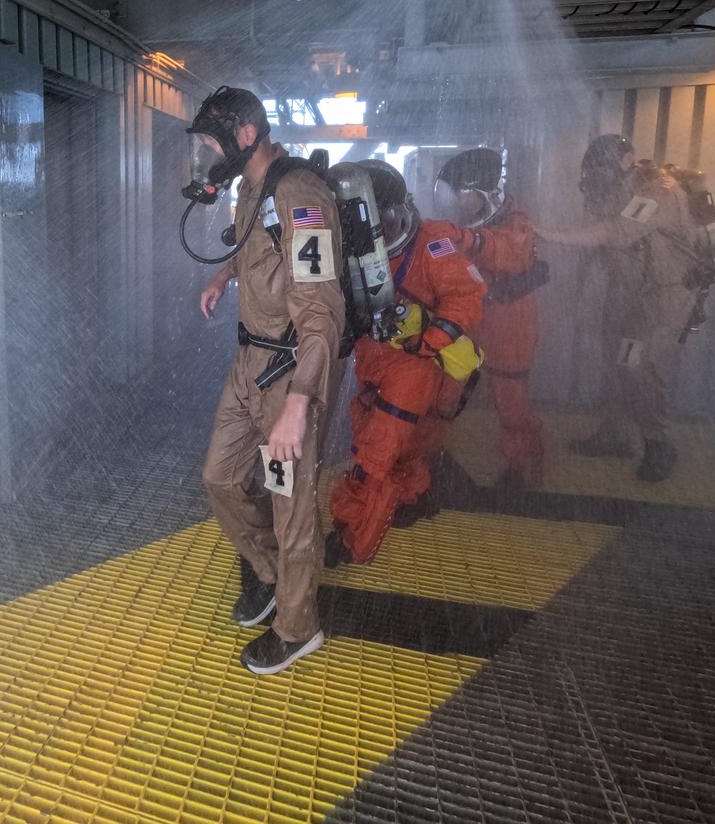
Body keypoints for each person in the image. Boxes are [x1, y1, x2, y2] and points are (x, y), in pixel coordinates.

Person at [190, 86, 346, 675]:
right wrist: (223, 276)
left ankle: (297, 626)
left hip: (290, 373)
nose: (208, 148)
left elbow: (323, 315)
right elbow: (253, 242)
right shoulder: (248, 189)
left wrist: (297, 407)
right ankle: (268, 574)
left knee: (291, 502)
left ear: (246, 135)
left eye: (213, 137)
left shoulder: (301, 195)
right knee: (220, 478)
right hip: (247, 364)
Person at [325, 160, 485, 567]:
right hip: (375, 359)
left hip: (413, 365)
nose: (373, 235)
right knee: (403, 443)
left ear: (399, 209)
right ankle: (415, 497)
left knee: (374, 455)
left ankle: (352, 539)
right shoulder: (352, 248)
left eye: (380, 222)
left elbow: (466, 297)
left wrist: (428, 341)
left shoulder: (432, 243)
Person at [536, 134, 711, 483]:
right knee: (616, 360)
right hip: (628, 289)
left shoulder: (660, 190)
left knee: (638, 363)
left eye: (603, 164)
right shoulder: (614, 189)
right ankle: (614, 434)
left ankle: (657, 443)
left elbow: (615, 233)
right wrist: (581, 288)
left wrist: (548, 234)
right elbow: (601, 247)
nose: (597, 174)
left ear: (628, 158)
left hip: (666, 294)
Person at [435, 148, 549, 489]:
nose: (455, 201)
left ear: (479, 193)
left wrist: (465, 239)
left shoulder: (516, 225)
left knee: (512, 407)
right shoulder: (458, 229)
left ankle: (524, 471)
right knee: (442, 397)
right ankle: (430, 457)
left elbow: (507, 253)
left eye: (460, 194)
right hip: (467, 321)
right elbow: (439, 254)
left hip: (509, 326)